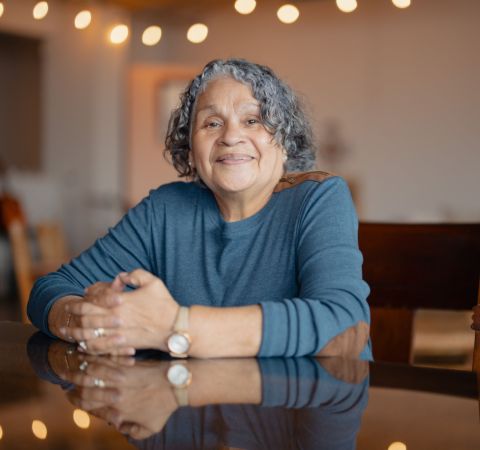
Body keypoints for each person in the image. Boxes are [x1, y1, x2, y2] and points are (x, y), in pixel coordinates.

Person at [27, 58, 371, 359]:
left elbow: (344, 327)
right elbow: (51, 288)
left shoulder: (320, 197)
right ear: (190, 150)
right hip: (190, 417)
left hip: (300, 416)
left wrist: (175, 328)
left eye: (252, 120)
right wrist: (88, 321)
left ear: (284, 142)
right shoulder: (165, 209)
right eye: (211, 123)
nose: (230, 136)